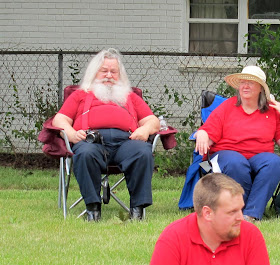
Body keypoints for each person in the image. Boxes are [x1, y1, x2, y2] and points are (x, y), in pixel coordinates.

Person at [52, 48, 160, 222]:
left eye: (113, 72)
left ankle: (137, 211)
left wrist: (145, 130)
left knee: (143, 151)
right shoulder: (80, 95)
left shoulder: (130, 97)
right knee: (85, 153)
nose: (109, 75)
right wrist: (71, 133)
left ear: (120, 75)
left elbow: (153, 121)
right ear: (95, 73)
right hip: (91, 142)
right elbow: (59, 120)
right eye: (104, 71)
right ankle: (93, 210)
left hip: (127, 142)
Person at [195, 65, 280, 221]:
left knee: (275, 162)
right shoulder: (227, 107)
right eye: (242, 82)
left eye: (251, 83)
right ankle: (239, 209)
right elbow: (209, 132)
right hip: (226, 155)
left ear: (261, 88)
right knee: (237, 162)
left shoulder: (272, 111)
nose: (245, 86)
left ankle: (251, 214)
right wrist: (202, 133)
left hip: (259, 157)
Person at [150, 173, 270, 265]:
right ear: (207, 213)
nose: (240, 218)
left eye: (240, 209)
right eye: (232, 212)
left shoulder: (251, 235)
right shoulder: (173, 238)